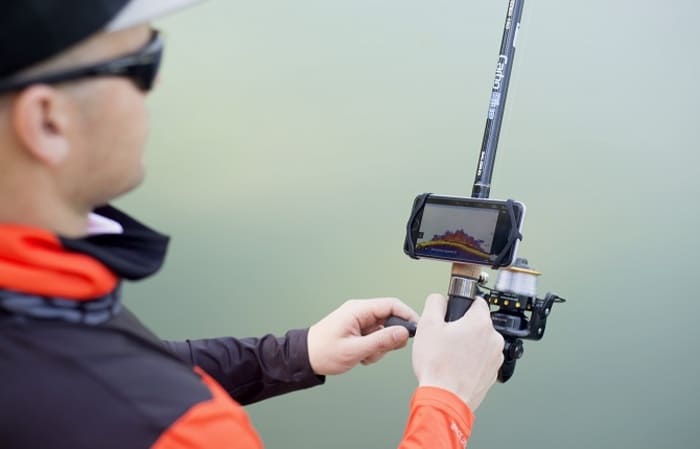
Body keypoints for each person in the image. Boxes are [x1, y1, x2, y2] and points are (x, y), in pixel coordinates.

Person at [0, 1, 505, 448]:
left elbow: (104, 372)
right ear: (47, 121)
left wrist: (292, 355)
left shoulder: (39, 307)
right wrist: (446, 401)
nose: (157, 87)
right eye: (143, 65)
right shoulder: (181, 431)